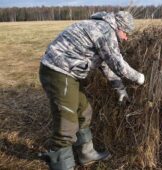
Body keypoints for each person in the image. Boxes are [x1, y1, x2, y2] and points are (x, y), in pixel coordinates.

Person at [39, 11, 145, 170]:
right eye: (125, 33)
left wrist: (120, 89)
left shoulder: (102, 28)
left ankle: (86, 154)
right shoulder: (104, 31)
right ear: (119, 28)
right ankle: (61, 164)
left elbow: (105, 65)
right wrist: (140, 78)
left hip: (68, 73)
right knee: (67, 118)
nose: (126, 38)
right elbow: (118, 65)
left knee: (84, 110)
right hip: (57, 71)